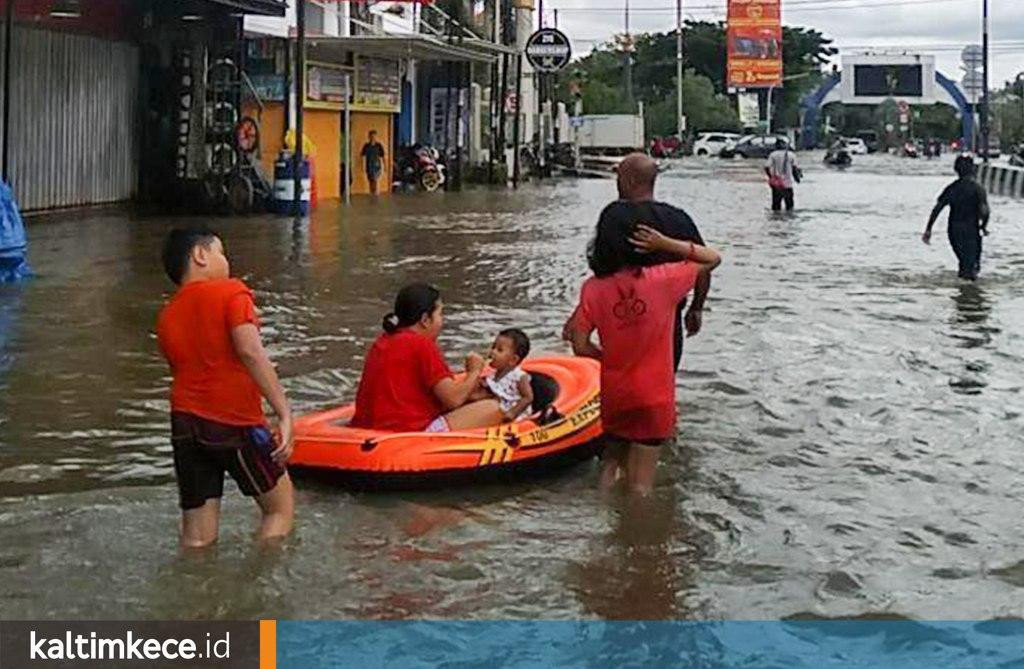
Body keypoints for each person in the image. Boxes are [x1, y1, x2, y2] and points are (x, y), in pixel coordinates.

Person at [156, 227, 294, 548]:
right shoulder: (232, 292)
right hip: (235, 422)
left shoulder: (167, 315)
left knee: (197, 537)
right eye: (220, 251)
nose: (226, 260)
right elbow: (249, 350)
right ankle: (252, 587)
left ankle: (196, 592)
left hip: (184, 425)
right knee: (279, 509)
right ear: (200, 255)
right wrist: (284, 412)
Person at [568, 223, 722, 496]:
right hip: (653, 396)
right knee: (641, 485)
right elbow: (712, 258)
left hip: (616, 392)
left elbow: (580, 345)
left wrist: (613, 360)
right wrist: (666, 243)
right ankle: (639, 533)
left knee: (611, 462)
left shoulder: (592, 288)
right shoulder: (664, 279)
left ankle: (602, 526)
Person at [563, 153, 710, 370]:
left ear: (630, 181)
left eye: (619, 178)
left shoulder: (614, 216)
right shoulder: (678, 218)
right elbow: (703, 265)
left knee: (621, 374)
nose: (616, 183)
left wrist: (582, 313)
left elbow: (604, 269)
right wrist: (696, 308)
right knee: (663, 378)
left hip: (620, 316)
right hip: (666, 322)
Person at [350, 283, 503, 432]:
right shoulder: (421, 344)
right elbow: (453, 400)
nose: (442, 321)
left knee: (475, 399)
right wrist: (475, 371)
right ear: (425, 320)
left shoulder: (383, 341)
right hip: (405, 436)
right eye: (440, 314)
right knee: (493, 408)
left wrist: (470, 394)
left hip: (370, 432)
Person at [922, 154, 990, 281]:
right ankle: (969, 294)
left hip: (954, 231)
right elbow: (985, 211)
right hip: (971, 231)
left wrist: (928, 229)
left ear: (956, 170)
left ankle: (963, 293)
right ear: (973, 169)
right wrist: (984, 226)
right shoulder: (978, 189)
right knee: (972, 265)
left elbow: (937, 208)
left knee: (964, 263)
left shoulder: (952, 188)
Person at [467, 328, 534, 423]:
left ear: (513, 360)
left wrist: (513, 413)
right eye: (493, 347)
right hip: (496, 409)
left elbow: (528, 397)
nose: (492, 352)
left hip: (514, 416)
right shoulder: (494, 375)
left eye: (499, 350)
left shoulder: (519, 376)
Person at [764, 138, 800, 212]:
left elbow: (767, 167)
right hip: (788, 185)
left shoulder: (773, 155)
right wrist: (797, 179)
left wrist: (771, 177)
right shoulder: (791, 155)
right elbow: (794, 169)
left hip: (777, 185)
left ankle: (776, 220)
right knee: (790, 207)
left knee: (776, 207)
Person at [361, 130, 386, 195]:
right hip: (369, 165)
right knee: (370, 180)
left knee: (375, 179)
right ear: (369, 137)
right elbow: (363, 156)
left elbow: (382, 156)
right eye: (371, 136)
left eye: (374, 136)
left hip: (376, 166)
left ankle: (375, 192)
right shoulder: (366, 146)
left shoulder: (379, 145)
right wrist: (363, 166)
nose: (373, 138)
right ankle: (372, 192)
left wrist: (385, 166)